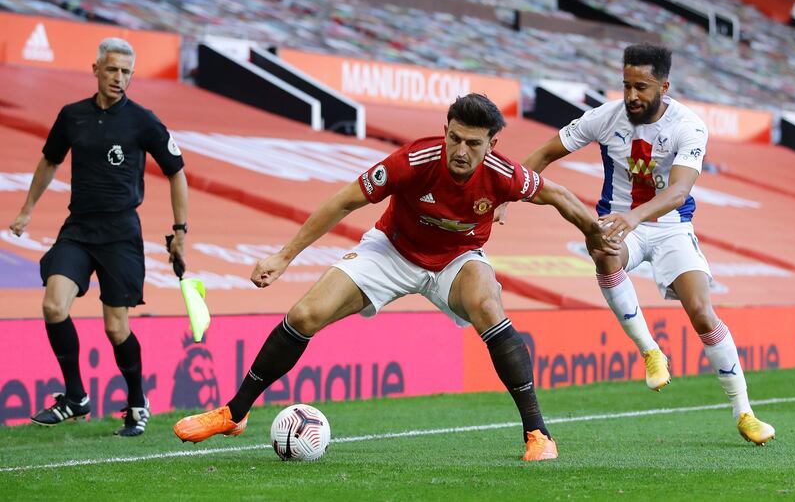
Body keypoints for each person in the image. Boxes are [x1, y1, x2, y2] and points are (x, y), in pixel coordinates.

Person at [173, 93, 617, 461]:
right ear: (445, 130)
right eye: (455, 138)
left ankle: (537, 434)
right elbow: (345, 201)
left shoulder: (503, 174)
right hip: (392, 250)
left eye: (474, 144)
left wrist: (594, 234)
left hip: (456, 259)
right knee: (306, 314)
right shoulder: (413, 159)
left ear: (492, 144)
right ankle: (235, 412)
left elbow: (559, 195)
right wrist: (285, 256)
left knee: (487, 304)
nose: (462, 151)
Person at [519, 43, 774, 445]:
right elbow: (545, 152)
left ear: (663, 86)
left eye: (641, 86)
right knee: (601, 247)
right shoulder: (606, 117)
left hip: (670, 225)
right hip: (622, 226)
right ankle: (650, 351)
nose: (632, 95)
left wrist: (634, 217)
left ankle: (744, 412)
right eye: (626, 86)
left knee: (703, 313)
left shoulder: (688, 126)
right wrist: (504, 197)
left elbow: (679, 191)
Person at [8, 37, 189, 437]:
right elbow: (49, 160)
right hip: (78, 229)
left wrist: (180, 232)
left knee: (115, 328)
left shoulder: (142, 120)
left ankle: (138, 401)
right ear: (95, 70)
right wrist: (26, 209)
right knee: (54, 305)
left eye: (126, 72)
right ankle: (76, 396)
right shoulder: (72, 116)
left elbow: (176, 170)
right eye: (112, 70)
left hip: (121, 233)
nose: (119, 78)